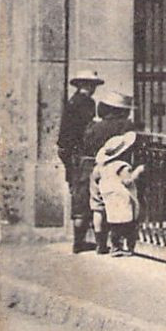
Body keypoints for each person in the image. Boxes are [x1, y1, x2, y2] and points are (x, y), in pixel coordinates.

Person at [80, 90, 141, 255]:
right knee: (119, 208)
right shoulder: (126, 126)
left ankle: (100, 244)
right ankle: (118, 244)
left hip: (98, 168)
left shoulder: (94, 127)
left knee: (98, 208)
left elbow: (86, 144)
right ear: (121, 110)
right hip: (118, 171)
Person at [58, 69, 103, 252]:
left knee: (77, 191)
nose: (92, 89)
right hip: (80, 154)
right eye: (90, 85)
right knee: (83, 194)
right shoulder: (86, 103)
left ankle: (80, 240)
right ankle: (79, 242)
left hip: (69, 152)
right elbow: (85, 130)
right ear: (85, 85)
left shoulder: (72, 102)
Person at [92, 132, 145, 257]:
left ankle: (115, 246)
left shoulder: (104, 167)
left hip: (109, 197)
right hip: (121, 197)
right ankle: (128, 246)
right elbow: (127, 180)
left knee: (114, 223)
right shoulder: (122, 166)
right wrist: (138, 171)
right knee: (128, 222)